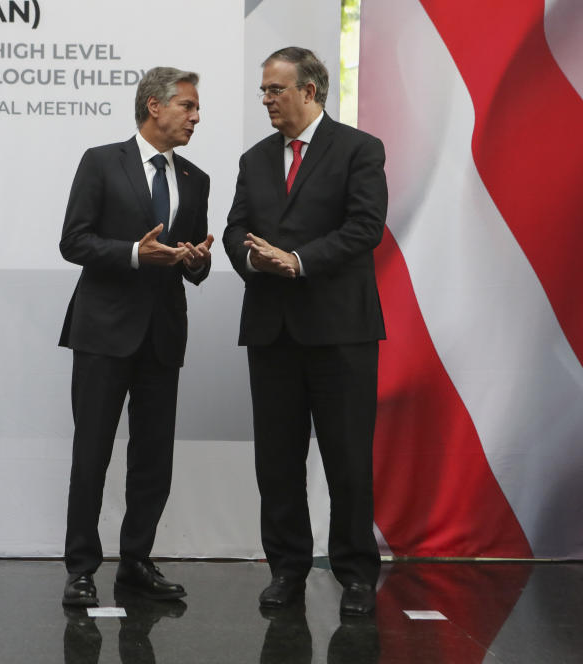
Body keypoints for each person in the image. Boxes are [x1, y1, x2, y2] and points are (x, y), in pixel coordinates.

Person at [223, 47, 387, 616]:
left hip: (341, 333)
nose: (266, 99)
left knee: (347, 459)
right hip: (272, 332)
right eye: (264, 90)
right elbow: (235, 228)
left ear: (310, 91)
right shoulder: (253, 159)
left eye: (275, 89)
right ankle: (286, 571)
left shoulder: (360, 150)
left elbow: (366, 228)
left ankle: (357, 575)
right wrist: (253, 259)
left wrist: (296, 260)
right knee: (277, 461)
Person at [59, 66, 213, 606]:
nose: (196, 116)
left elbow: (195, 262)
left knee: (153, 458)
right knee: (92, 453)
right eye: (188, 106)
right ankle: (80, 569)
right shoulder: (102, 162)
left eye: (195, 108)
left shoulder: (196, 179)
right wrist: (131, 253)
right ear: (154, 106)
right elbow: (73, 241)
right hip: (102, 334)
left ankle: (136, 564)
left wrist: (198, 260)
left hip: (162, 336)